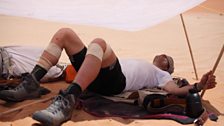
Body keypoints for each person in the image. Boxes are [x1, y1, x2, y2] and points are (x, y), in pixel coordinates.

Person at [0, 28, 216, 126]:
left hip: (115, 83)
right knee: (65, 34)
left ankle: (68, 99)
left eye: (167, 60)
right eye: (162, 56)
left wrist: (198, 85)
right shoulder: (143, 61)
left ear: (167, 68)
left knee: (100, 42)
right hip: (97, 73)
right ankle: (30, 84)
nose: (162, 57)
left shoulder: (160, 75)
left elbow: (176, 91)